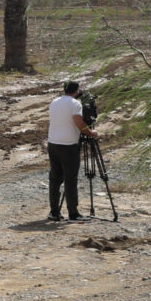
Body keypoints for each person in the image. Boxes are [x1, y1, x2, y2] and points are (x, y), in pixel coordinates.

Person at [45, 80, 94, 222]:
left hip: (53, 142)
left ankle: (54, 212)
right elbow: (79, 122)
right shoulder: (74, 104)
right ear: (76, 91)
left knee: (55, 178)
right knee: (70, 179)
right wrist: (91, 133)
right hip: (68, 145)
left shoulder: (55, 101)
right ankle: (73, 213)